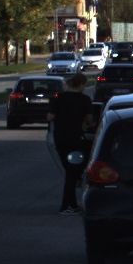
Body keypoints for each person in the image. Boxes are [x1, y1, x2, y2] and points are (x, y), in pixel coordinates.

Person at [50, 73, 92, 214]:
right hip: (75, 139)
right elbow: (89, 120)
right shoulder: (85, 100)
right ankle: (66, 207)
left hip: (60, 139)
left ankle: (72, 205)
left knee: (70, 171)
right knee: (72, 172)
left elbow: (49, 116)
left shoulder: (58, 98)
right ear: (81, 84)